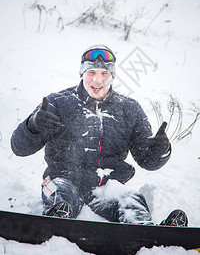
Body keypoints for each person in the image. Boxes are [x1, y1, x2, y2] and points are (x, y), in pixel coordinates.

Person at [11, 45, 188, 226]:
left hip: (108, 187)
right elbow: (19, 148)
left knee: (131, 201)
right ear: (82, 73)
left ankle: (148, 232)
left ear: (112, 76)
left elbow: (147, 160)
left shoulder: (130, 109)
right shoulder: (57, 102)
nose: (98, 80)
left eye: (104, 73)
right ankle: (56, 222)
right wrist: (32, 126)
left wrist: (160, 151)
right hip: (64, 180)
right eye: (91, 72)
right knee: (59, 195)